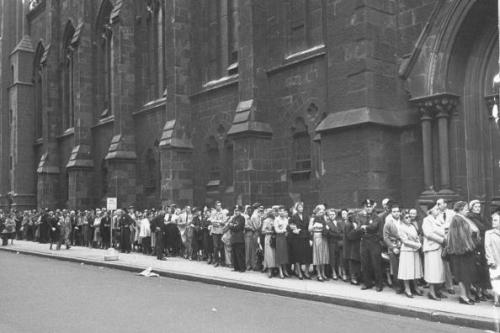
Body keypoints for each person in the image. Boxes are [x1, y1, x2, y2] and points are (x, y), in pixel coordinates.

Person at [446, 201, 480, 305]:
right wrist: (470, 245)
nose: (467, 210)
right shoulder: (457, 219)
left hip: (468, 251)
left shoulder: (463, 218)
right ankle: (463, 296)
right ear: (460, 209)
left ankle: (468, 295)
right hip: (461, 252)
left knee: (467, 274)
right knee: (462, 274)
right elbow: (459, 237)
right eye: (465, 208)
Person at [356, 199, 384, 291]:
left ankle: (379, 284)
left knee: (376, 264)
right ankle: (367, 283)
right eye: (366, 207)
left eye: (370, 207)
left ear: (373, 207)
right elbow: (359, 228)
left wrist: (366, 227)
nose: (368, 208)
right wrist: (365, 228)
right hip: (364, 242)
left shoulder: (377, 217)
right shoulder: (361, 216)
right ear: (364, 207)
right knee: (365, 263)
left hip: (374, 242)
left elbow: (374, 227)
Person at [467, 200, 492, 300]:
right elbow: (482, 228)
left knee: (484, 268)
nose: (478, 208)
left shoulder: (480, 217)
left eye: (479, 207)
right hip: (476, 246)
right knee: (478, 269)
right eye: (476, 207)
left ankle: (484, 290)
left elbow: (488, 227)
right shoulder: (471, 217)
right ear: (471, 208)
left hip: (483, 245)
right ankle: (478, 292)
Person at [398, 209, 423, 298]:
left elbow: (416, 236)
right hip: (407, 251)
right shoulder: (401, 227)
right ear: (402, 219)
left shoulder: (412, 226)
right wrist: (418, 245)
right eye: (406, 217)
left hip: (414, 251)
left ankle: (416, 287)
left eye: (409, 217)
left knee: (415, 270)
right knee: (407, 271)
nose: (409, 219)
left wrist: (418, 242)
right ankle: (407, 289)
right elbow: (405, 241)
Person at [422, 205, 446, 300]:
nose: (438, 210)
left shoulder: (439, 220)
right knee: (432, 271)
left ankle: (438, 290)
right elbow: (428, 234)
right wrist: (442, 240)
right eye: (436, 209)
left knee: (439, 271)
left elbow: (444, 230)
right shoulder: (427, 220)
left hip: (439, 248)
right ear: (430, 211)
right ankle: (431, 292)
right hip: (431, 248)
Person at [288, 202, 312, 279]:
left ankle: (306, 272)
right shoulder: (294, 217)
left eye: (302, 207)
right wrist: (294, 230)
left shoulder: (306, 216)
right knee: (298, 256)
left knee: (308, 255)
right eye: (299, 207)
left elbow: (309, 228)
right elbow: (290, 226)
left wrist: (310, 238)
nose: (301, 208)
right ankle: (299, 272)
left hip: (306, 237)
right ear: (296, 208)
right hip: (297, 238)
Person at [383, 202, 403, 294]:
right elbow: (386, 237)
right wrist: (393, 247)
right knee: (396, 268)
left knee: (404, 267)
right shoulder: (388, 223)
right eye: (394, 212)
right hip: (393, 247)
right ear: (391, 213)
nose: (396, 213)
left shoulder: (403, 221)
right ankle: (398, 286)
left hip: (404, 246)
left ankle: (405, 285)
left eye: (398, 211)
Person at [309, 205, 329, 281]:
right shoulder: (313, 218)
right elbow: (309, 229)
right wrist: (314, 226)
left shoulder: (324, 218)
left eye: (323, 211)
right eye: (320, 211)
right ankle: (318, 274)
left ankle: (323, 273)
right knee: (318, 256)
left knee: (323, 255)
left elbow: (326, 226)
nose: (322, 212)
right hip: (317, 236)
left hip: (324, 237)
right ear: (317, 211)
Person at [485, 212, 500, 306]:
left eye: (495, 220)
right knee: (495, 280)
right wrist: (490, 260)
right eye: (492, 220)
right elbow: (487, 247)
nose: (493, 222)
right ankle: (496, 300)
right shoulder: (489, 233)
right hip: (495, 260)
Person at [325, 208, 344, 280]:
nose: (331, 216)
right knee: (332, 258)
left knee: (340, 258)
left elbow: (342, 233)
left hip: (339, 243)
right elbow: (329, 234)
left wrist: (336, 233)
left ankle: (340, 272)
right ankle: (334, 273)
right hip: (331, 243)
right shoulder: (327, 223)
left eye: (333, 214)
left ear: (335, 215)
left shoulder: (339, 222)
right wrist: (337, 234)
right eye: (330, 215)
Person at [245, 203, 263, 271]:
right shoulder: (255, 216)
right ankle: (254, 265)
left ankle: (254, 265)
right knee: (255, 250)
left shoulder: (256, 215)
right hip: (256, 233)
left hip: (255, 233)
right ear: (257, 208)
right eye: (259, 208)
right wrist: (261, 220)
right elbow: (256, 227)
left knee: (255, 250)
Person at [209, 201, 226, 267]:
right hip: (214, 231)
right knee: (215, 247)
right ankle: (216, 261)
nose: (219, 206)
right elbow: (211, 220)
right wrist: (216, 222)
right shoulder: (213, 212)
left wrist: (218, 222)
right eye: (217, 205)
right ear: (215, 206)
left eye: (220, 205)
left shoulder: (223, 212)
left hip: (221, 231)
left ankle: (222, 261)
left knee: (221, 246)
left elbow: (224, 221)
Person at [229, 205, 246, 272]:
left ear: (240, 211)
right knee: (234, 254)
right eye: (235, 210)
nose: (236, 212)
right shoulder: (233, 218)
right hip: (234, 238)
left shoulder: (242, 218)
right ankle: (236, 267)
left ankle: (242, 268)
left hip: (239, 238)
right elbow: (230, 226)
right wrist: (233, 226)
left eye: (237, 210)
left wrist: (232, 226)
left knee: (240, 254)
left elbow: (238, 227)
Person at [274, 206, 289, 279]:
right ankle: (280, 271)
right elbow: (276, 230)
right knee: (280, 254)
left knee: (285, 254)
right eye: (280, 211)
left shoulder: (286, 219)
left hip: (285, 238)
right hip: (279, 238)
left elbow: (288, 228)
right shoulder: (276, 219)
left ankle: (285, 269)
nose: (281, 212)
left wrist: (287, 232)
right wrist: (283, 231)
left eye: (283, 211)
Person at [261, 209, 276, 278]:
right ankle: (269, 270)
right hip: (268, 238)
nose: (274, 213)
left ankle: (274, 268)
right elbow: (263, 231)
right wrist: (270, 232)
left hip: (275, 238)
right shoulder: (266, 221)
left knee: (274, 254)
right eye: (273, 212)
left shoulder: (275, 220)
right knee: (269, 254)